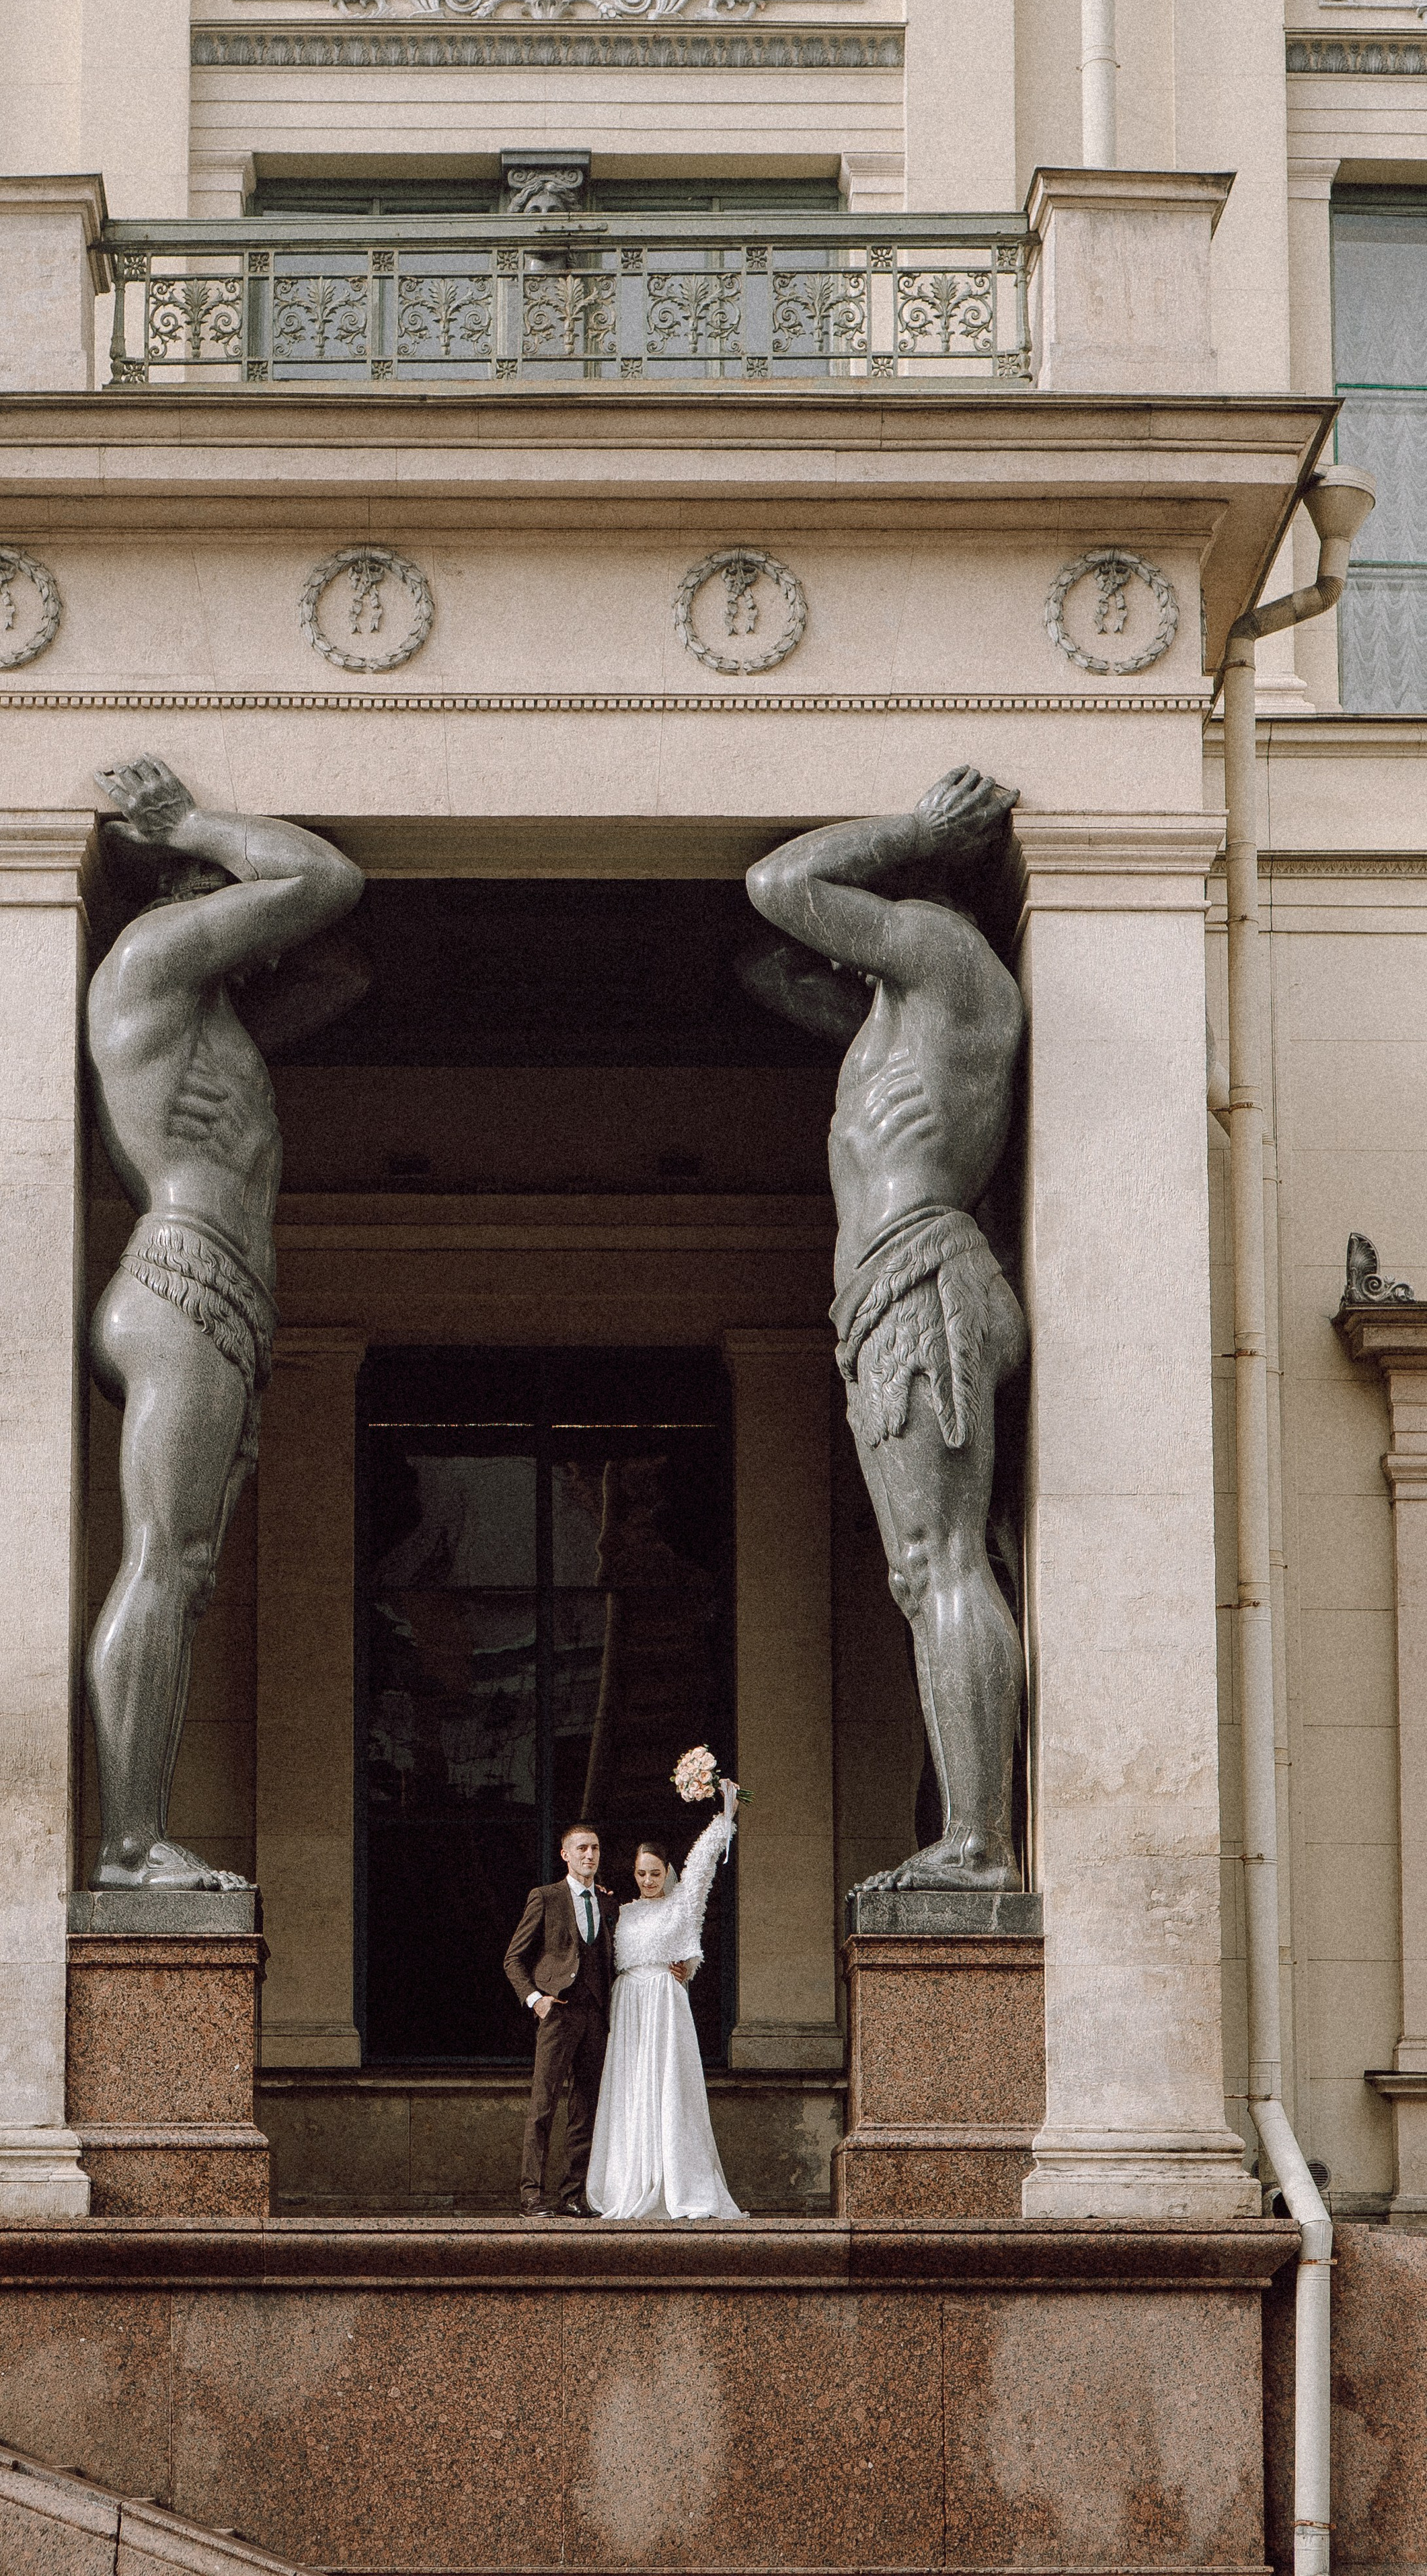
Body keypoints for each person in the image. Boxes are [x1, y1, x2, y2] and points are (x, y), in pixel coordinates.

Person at [85, 754, 367, 1889]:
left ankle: (139, 1837)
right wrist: (197, 825)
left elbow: (333, 971)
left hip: (222, 1300)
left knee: (186, 1567)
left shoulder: (208, 1016)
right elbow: (324, 881)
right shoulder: (148, 960)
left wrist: (248, 933)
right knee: (161, 1558)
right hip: (181, 1278)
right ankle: (131, 1845)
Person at [742, 767, 1026, 1893]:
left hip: (920, 1278)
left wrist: (909, 830)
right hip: (889, 1295)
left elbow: (780, 884)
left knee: (938, 1561)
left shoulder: (949, 960)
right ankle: (967, 1826)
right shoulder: (896, 1010)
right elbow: (765, 963)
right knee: (930, 1571)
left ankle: (979, 1842)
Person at [586, 1777, 742, 2220]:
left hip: (664, 2005)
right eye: (642, 1874)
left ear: (666, 1872)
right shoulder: (622, 1912)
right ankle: (628, 2182)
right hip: (629, 2007)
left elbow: (701, 1869)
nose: (650, 1880)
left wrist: (725, 1815)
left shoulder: (680, 1905)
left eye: (656, 1873)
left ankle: (679, 2181)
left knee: (668, 2089)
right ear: (633, 1875)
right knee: (632, 2091)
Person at [504, 1823, 616, 2218]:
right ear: (566, 1855)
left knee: (586, 2109)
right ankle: (531, 2195)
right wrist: (536, 2000)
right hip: (559, 2013)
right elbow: (513, 1958)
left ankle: (573, 2194)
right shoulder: (546, 1897)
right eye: (582, 1848)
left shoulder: (607, 1903)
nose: (591, 1855)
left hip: (596, 2017)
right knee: (543, 2106)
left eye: (596, 1849)